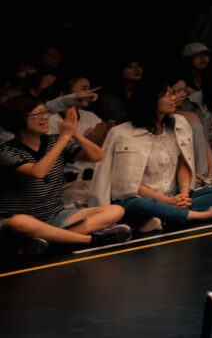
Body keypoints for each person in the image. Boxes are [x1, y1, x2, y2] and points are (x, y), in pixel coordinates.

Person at [101, 81, 212, 228]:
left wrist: (183, 195)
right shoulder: (122, 134)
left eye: (172, 94)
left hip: (172, 196)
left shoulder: (178, 123)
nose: (173, 98)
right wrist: (168, 201)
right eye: (167, 95)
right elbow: (129, 184)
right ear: (150, 100)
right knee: (141, 204)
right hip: (141, 199)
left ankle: (162, 218)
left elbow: (183, 163)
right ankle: (205, 215)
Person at [2, 95, 131, 250]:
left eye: (45, 112)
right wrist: (63, 138)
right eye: (38, 114)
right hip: (20, 218)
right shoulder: (6, 151)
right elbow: (37, 172)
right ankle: (90, 240)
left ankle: (47, 240)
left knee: (115, 210)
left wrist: (74, 133)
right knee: (19, 222)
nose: (45, 117)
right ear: (18, 119)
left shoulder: (54, 141)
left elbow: (97, 156)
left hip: (56, 216)